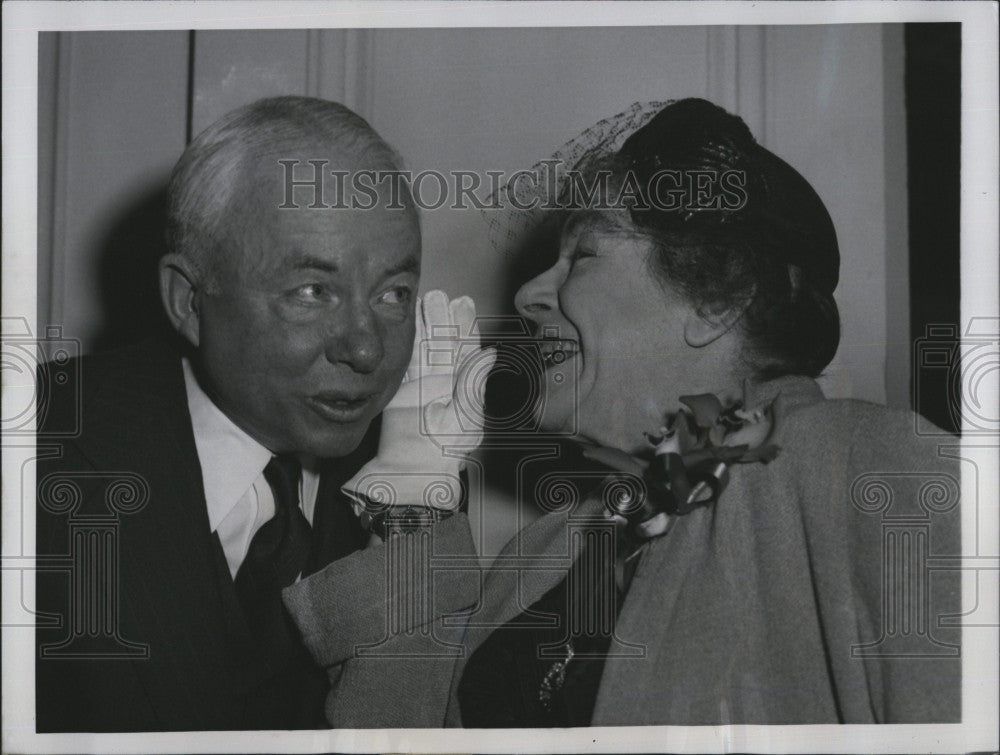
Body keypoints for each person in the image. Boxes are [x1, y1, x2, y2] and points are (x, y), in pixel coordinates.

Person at [283, 98, 962, 726]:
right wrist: (413, 504)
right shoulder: (544, 551)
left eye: (582, 254)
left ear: (716, 298)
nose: (526, 295)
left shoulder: (871, 471)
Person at [34, 95, 489, 731]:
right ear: (189, 301)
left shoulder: (410, 481)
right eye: (312, 291)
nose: (366, 348)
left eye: (393, 293)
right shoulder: (34, 460)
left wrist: (409, 521)